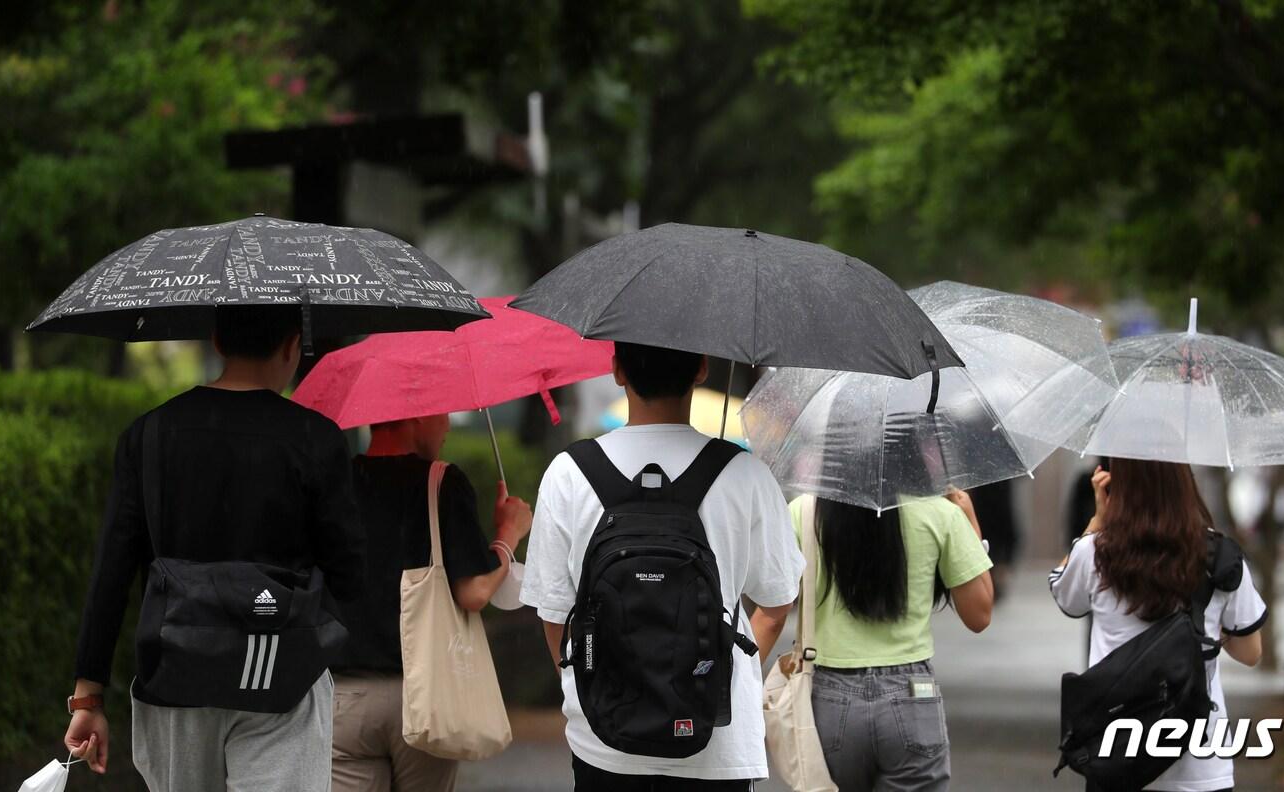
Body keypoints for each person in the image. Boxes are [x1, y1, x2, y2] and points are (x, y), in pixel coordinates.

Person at [64, 304, 366, 791]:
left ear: (217, 341)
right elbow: (350, 572)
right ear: (292, 346)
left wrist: (88, 696)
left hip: (176, 676)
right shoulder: (317, 439)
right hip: (283, 672)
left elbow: (112, 572)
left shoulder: (149, 434)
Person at [520, 341, 806, 791]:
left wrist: (599, 685)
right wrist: (716, 672)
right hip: (717, 746)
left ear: (616, 370)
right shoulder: (745, 472)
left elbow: (554, 615)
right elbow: (776, 604)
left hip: (603, 743)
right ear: (701, 368)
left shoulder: (569, 472)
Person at [330, 413, 532, 792]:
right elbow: (474, 592)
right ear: (417, 415)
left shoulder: (335, 483)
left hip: (345, 696)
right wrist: (508, 534)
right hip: (424, 694)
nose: (448, 426)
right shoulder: (441, 483)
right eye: (442, 415)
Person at [1049, 460, 1268, 792]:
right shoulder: (1220, 556)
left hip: (1116, 757)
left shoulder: (1095, 551)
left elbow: (1064, 594)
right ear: (1183, 481)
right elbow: (1251, 652)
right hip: (1201, 763)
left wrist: (1095, 522)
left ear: (1116, 485)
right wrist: (1211, 634)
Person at [756, 489, 994, 792]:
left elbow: (772, 615)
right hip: (912, 696)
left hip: (829, 701)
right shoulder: (940, 512)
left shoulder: (803, 511)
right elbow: (979, 615)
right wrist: (968, 519)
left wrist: (732, 686)